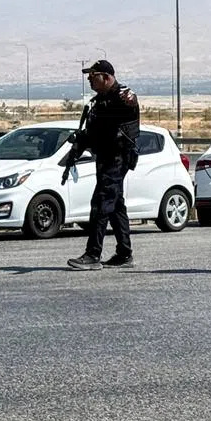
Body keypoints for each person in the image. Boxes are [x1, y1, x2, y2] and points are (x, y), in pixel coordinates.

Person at [66, 60, 140, 271]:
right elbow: (95, 131)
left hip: (117, 157)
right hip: (105, 157)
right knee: (116, 204)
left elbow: (119, 122)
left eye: (93, 76)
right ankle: (124, 253)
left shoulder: (122, 97)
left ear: (107, 77)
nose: (89, 80)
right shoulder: (99, 100)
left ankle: (93, 254)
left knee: (101, 202)